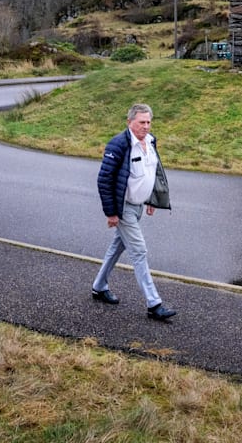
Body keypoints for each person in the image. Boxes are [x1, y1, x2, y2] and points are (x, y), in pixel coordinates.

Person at [91, 103, 177, 321]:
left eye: (148, 122)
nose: (146, 126)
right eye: (141, 122)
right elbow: (104, 180)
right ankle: (154, 304)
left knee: (117, 247)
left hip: (138, 206)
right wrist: (111, 213)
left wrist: (152, 198)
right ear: (130, 122)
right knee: (139, 251)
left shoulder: (151, 141)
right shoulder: (118, 144)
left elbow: (152, 171)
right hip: (123, 209)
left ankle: (99, 287)